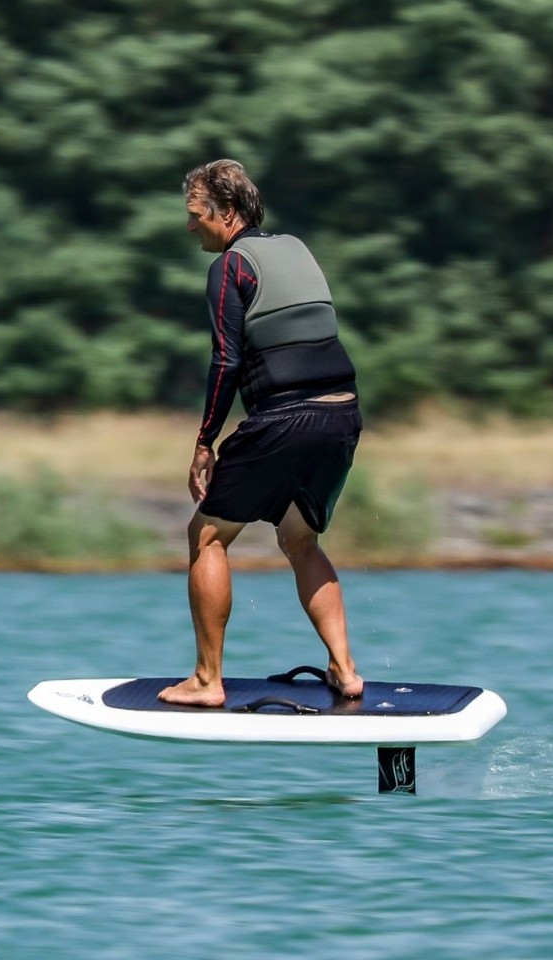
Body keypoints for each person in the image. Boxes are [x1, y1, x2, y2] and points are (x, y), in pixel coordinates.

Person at [159, 159, 364, 708]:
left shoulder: (230, 266)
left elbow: (226, 361)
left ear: (226, 214)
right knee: (300, 539)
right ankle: (345, 670)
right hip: (343, 414)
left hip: (287, 418)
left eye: (195, 214)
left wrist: (204, 443)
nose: (190, 226)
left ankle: (206, 680)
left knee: (206, 536)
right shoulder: (296, 247)